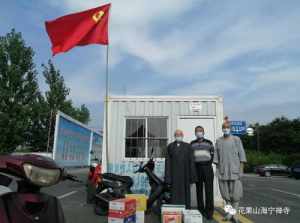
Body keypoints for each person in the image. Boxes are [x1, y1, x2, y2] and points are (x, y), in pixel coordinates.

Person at [214, 122, 247, 223]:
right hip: (223, 171)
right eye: (224, 128)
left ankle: (234, 215)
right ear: (222, 129)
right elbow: (216, 158)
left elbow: (242, 156)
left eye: (227, 128)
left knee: (235, 195)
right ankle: (230, 214)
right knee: (225, 195)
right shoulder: (218, 141)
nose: (225, 129)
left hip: (235, 171)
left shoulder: (236, 139)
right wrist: (217, 171)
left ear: (231, 129)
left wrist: (241, 170)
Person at [165, 129, 197, 209]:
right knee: (174, 194)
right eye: (176, 135)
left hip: (185, 175)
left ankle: (186, 211)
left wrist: (192, 177)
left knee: (185, 194)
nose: (178, 136)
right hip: (174, 175)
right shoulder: (170, 146)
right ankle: (175, 212)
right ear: (174, 136)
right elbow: (167, 163)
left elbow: (192, 162)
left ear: (182, 136)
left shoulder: (188, 146)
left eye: (180, 134)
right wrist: (167, 177)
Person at [191, 126, 215, 220]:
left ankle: (209, 213)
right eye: (197, 131)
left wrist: (208, 163)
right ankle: (200, 210)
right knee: (199, 191)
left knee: (209, 191)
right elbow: (191, 157)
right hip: (197, 168)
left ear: (203, 132)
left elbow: (212, 155)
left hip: (207, 168)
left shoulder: (209, 143)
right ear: (195, 133)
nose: (199, 132)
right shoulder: (192, 144)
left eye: (200, 131)